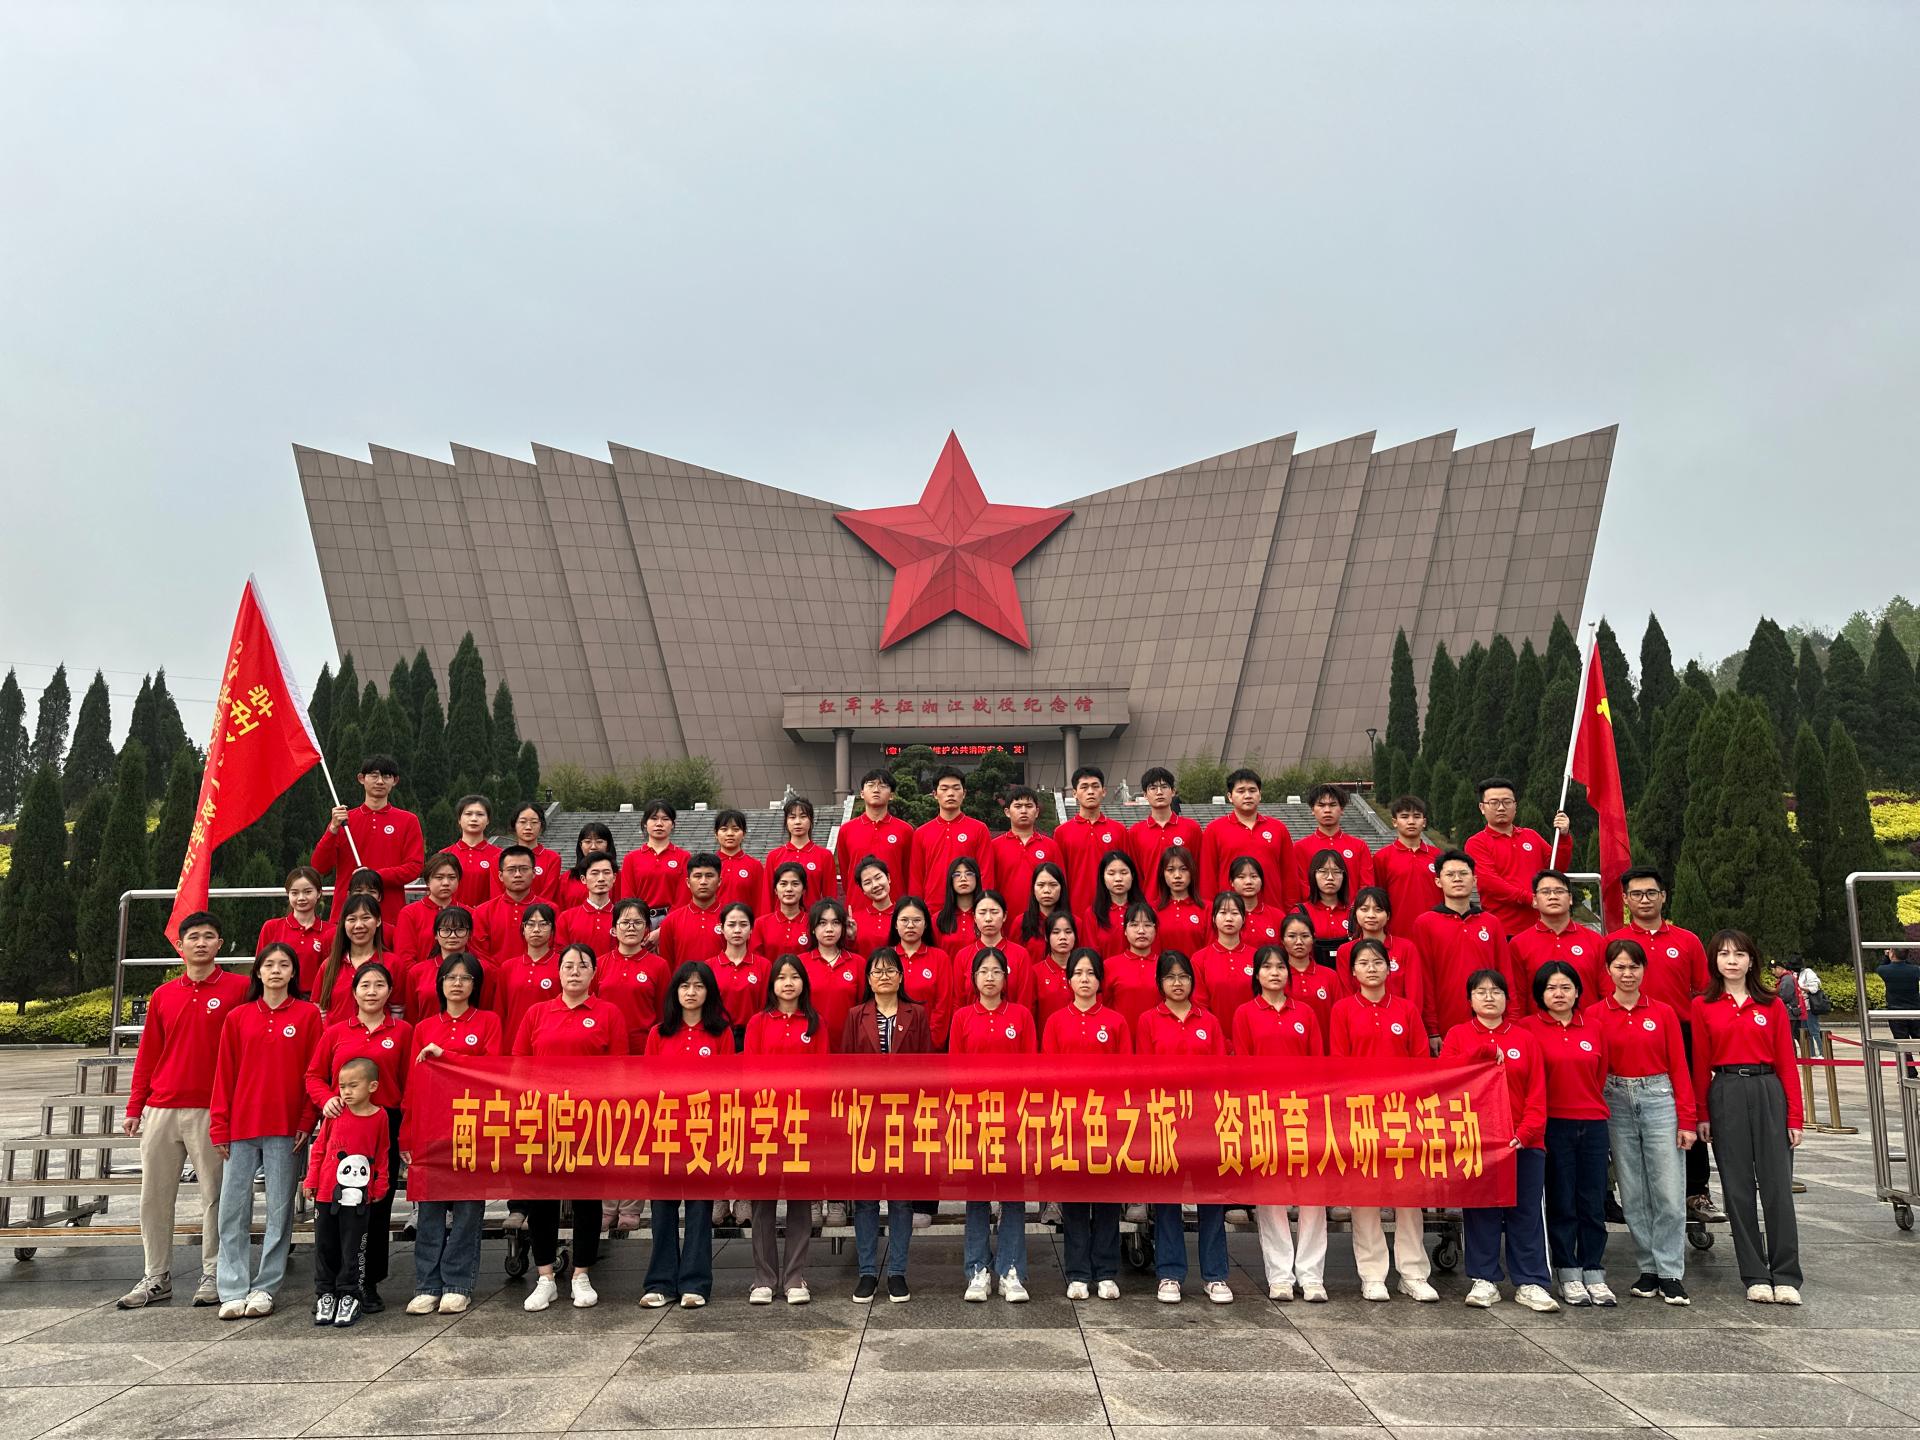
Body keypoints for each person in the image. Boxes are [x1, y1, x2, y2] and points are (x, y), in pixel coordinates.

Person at [117, 910, 250, 1310]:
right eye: (193, 937)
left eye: (209, 936)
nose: (201, 942)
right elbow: (148, 1053)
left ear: (220, 944)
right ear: (180, 945)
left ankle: (214, 1272)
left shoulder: (240, 988)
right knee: (154, 1197)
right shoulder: (164, 994)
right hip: (162, 1108)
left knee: (216, 1197)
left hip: (213, 1108)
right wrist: (135, 1105)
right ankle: (156, 1275)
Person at [209, 943, 322, 1319]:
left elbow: (314, 1071)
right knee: (232, 1210)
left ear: (293, 972)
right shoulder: (238, 1017)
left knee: (279, 1211)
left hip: (286, 1128)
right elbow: (224, 1074)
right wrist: (220, 1125)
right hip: (241, 1127)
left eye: (283, 964)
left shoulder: (307, 1015)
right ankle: (232, 1287)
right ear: (257, 972)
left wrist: (306, 1120)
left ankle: (265, 1286)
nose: (276, 970)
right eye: (269, 964)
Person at [1692, 929, 1803, 1304]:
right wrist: (1702, 1114)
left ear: (1751, 960)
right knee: (1737, 1189)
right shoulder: (1703, 1005)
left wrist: (1795, 1117)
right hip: (1725, 1091)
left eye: (1739, 954)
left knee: (1777, 1188)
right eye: (1724, 954)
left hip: (1768, 1089)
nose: (1732, 960)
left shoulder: (1771, 1004)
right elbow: (1700, 1065)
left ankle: (1786, 1273)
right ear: (1714, 961)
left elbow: (1787, 1063)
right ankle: (1754, 1273)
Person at [514, 945, 625, 1312]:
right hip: (543, 1118)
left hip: (589, 1121)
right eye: (568, 966)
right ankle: (545, 1276)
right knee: (541, 1199)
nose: (574, 971)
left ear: (594, 973)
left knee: (587, 1199)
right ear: (558, 972)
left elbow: (618, 1069)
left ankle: (581, 1274)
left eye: (582, 966)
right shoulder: (536, 1013)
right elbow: (519, 1065)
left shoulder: (608, 1013)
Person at [1438, 969, 1557, 1312]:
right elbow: (1446, 1081)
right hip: (1478, 1143)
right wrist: (1483, 1054)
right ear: (1469, 999)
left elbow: (1537, 1093)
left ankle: (1531, 1281)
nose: (1489, 997)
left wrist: (1526, 1133)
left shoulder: (1524, 1039)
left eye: (1496, 991)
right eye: (1480, 992)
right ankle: (1484, 1278)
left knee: (1526, 1212)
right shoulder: (1458, 1035)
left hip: (1523, 1141)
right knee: (1481, 1211)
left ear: (1507, 998)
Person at [1608, 867, 1719, 1223]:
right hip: (1625, 1033)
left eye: (1651, 893)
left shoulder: (1687, 941)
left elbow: (1704, 992)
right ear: (1625, 899)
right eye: (1636, 894)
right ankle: (1637, 1197)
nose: (1644, 900)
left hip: (1680, 1034)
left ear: (1663, 896)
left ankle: (1696, 1192)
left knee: (1691, 1108)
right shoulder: (1614, 943)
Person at [1330, 938, 1436, 1302]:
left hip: (1402, 1114)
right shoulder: (1343, 1010)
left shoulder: (1406, 1009)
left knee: (1409, 1196)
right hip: (1362, 1114)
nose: (1372, 968)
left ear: (1390, 968)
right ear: (1353, 972)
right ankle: (1372, 1274)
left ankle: (1413, 1273)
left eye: (1378, 962)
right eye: (1364, 963)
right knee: (1366, 1196)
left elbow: (1421, 1063)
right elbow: (1339, 1065)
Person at [1592, 938, 1696, 1306]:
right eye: (1619, 967)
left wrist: (1687, 1119)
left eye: (1633, 967)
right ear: (1608, 971)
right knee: (1632, 1191)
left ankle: (1670, 1271)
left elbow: (1679, 1067)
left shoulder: (1663, 1012)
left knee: (1668, 1190)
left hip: (1659, 1097)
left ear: (1643, 970)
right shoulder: (1594, 1014)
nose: (1627, 973)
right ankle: (1648, 1267)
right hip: (1615, 1098)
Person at [305, 960, 410, 1312]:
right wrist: (327, 1099)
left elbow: (410, 1083)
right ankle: (333, 1285)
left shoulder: (403, 1032)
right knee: (336, 1208)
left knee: (376, 1206)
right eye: (365, 985)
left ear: (389, 991)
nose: (372, 992)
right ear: (353, 992)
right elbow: (313, 1076)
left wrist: (407, 1130)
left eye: (379, 985)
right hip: (342, 1124)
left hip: (383, 1125)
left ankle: (368, 1283)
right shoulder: (336, 1032)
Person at [403, 952, 502, 1315]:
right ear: (440, 983)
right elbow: (413, 1084)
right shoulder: (424, 1027)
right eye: (450, 977)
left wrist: (446, 1055)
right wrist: (407, 1135)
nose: (457, 983)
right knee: (429, 1209)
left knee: (467, 1210)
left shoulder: (489, 1021)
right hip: (431, 1126)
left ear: (476, 984)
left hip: (472, 1126)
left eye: (465, 978)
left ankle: (458, 1282)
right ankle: (427, 1283)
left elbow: (492, 1071)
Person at [1136, 950, 1231, 1303]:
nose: (1177, 983)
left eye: (1184, 977)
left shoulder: (1209, 1021)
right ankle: (1170, 1273)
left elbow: (1221, 1073)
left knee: (1211, 1200)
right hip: (1166, 1121)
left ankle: (1215, 1275)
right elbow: (1144, 1073)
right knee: (1167, 1201)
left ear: (1193, 981)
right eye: (1170, 977)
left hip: (1205, 1122)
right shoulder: (1148, 1020)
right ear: (1159, 983)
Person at [1235, 944, 1327, 1302]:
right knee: (1271, 1198)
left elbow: (1318, 1065)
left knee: (1312, 1195)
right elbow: (1243, 1067)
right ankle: (1280, 1275)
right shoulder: (1245, 1013)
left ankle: (1312, 1275)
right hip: (1264, 1114)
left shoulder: (1305, 1012)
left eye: (1280, 967)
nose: (1275, 973)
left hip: (1303, 1113)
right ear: (1256, 974)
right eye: (1267, 967)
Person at [640, 961, 734, 1309]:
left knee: (699, 1209)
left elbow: (727, 1086)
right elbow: (647, 1084)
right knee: (663, 1210)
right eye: (684, 986)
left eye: (698, 986)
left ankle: (695, 1282)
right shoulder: (659, 1033)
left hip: (703, 1132)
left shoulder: (720, 1033)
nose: (691, 992)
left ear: (709, 992)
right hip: (665, 1131)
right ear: (674, 992)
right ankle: (660, 1282)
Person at [841, 947, 931, 1302]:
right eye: (877, 971)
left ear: (901, 976)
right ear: (868, 979)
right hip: (866, 1117)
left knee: (901, 1199)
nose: (884, 976)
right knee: (865, 1199)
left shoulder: (916, 1013)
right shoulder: (855, 1015)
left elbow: (926, 1066)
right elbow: (846, 1065)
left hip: (904, 1117)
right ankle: (867, 1272)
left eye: (890, 970)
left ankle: (897, 1273)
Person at [740, 955, 829, 1305]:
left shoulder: (815, 1023)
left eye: (794, 977)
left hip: (802, 1123)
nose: (788, 983)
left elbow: (822, 1074)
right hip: (766, 1121)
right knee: (762, 1202)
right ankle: (763, 1278)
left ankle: (794, 1277)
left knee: (800, 1203)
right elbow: (750, 1073)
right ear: (772, 984)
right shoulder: (758, 1022)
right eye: (781, 977)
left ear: (804, 983)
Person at [1042, 948, 1130, 1301]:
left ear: (1099, 981)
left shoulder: (1116, 1021)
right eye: (1078, 973)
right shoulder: (1055, 1022)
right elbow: (1048, 1074)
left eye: (1090, 973)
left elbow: (1126, 1075)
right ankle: (1078, 1272)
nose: (1084, 979)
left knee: (1107, 1199)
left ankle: (1106, 1271)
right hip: (1070, 1122)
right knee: (1075, 1200)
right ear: (1068, 981)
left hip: (1107, 1121)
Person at [949, 946, 1036, 1302]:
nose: (989, 977)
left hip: (1012, 1118)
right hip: (975, 1118)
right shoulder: (962, 1017)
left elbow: (1031, 1069)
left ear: (1005, 977)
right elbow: (954, 1070)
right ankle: (977, 1271)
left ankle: (1011, 1271)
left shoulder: (1021, 1015)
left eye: (996, 971)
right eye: (983, 971)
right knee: (977, 1197)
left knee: (1013, 1196)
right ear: (973, 978)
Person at [1525, 959, 1613, 1306]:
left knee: (1593, 1200)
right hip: (1553, 1123)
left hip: (1593, 1122)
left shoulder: (1594, 1027)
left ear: (1577, 991)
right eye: (1551, 988)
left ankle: (1594, 1269)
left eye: (1566, 987)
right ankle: (1567, 1270)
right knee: (1561, 1199)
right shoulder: (1528, 1029)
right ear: (1540, 993)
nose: (1559, 994)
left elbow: (1600, 1074)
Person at [304, 1056, 390, 1328]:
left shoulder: (380, 1116)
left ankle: (349, 1293)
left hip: (359, 1197)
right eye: (342, 1086)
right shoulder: (335, 1113)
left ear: (372, 1086)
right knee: (325, 1245)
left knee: (354, 1246)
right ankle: (325, 1293)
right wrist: (311, 1179)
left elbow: (383, 1153)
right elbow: (320, 1148)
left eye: (353, 1085)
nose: (346, 1092)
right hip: (326, 1194)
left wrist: (380, 1184)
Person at [1413, 850, 1515, 1047]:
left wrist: (1511, 1020)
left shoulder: (1492, 923)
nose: (1457, 879)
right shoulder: (1425, 924)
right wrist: (1432, 1029)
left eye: (1463, 873)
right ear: (1438, 881)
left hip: (1490, 1021)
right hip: (1445, 1023)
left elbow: (1506, 975)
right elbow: (1424, 978)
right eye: (1450, 874)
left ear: (1474, 880)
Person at [312, 753, 424, 929]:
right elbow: (319, 866)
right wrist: (332, 829)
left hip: (389, 917)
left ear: (395, 781)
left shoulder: (408, 821)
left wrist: (375, 876)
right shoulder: (344, 821)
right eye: (374, 775)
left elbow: (414, 867)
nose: (380, 781)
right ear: (361, 779)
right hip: (346, 916)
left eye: (386, 776)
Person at [1462, 777, 1570, 939]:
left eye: (1507, 802)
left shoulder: (1531, 836)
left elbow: (1557, 868)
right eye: (1494, 803)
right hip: (1505, 929)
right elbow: (1490, 883)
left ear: (1515, 806)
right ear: (1482, 808)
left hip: (1542, 925)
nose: (1501, 808)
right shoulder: (1477, 843)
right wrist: (1531, 899)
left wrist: (1564, 836)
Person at [1199, 767, 1295, 908]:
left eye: (1252, 790)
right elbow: (1208, 877)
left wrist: (1291, 910)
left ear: (1260, 795)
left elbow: (1290, 875)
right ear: (1230, 796)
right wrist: (1210, 911)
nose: (1248, 795)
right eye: (1241, 791)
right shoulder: (1214, 830)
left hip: (1272, 911)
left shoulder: (1278, 828)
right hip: (1230, 913)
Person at [1511, 869, 1602, 1006]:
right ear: (1535, 900)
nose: (1553, 896)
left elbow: (1607, 992)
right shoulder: (1518, 944)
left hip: (1587, 1019)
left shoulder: (1596, 941)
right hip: (1537, 1020)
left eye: (1559, 891)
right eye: (1545, 892)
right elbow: (1518, 996)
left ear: (1570, 898)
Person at [1335, 886, 1424, 1020]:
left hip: (1400, 1022)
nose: (1371, 915)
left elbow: (1414, 995)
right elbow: (1347, 994)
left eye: (1378, 910)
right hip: (1360, 1021)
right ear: (1355, 914)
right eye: (1364, 909)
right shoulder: (1345, 951)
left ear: (1388, 915)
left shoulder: (1406, 948)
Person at [911, 766, 995, 902]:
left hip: (968, 906)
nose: (950, 793)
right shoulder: (921, 833)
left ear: (964, 793)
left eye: (956, 788)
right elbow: (916, 877)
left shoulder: (979, 829)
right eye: (944, 789)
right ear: (935, 794)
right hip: (932, 907)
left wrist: (983, 906)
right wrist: (917, 908)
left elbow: (986, 873)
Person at [1054, 766, 1131, 910]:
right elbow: (1058, 876)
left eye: (1095, 786)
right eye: (1084, 787)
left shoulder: (1119, 830)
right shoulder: (1062, 832)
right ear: (1075, 793)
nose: (1090, 791)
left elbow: (1128, 872)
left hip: (1112, 909)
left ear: (1104, 791)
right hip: (1075, 909)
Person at [313, 893, 395, 1026]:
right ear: (343, 923)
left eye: (366, 918)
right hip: (336, 1038)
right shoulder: (329, 965)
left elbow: (398, 1009)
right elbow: (320, 1009)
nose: (358, 925)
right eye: (352, 919)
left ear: (378, 920)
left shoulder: (393, 963)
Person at [837, 768, 915, 900]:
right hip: (858, 904)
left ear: (891, 795)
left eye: (883, 786)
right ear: (862, 793)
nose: (876, 790)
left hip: (896, 905)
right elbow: (845, 873)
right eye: (871, 785)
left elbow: (909, 872)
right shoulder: (847, 830)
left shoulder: (905, 830)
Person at [801, 897, 865, 1055]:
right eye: (822, 923)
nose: (829, 929)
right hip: (809, 1043)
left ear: (843, 927)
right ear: (813, 929)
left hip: (848, 1044)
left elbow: (864, 1008)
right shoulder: (800, 963)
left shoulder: (858, 963)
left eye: (835, 923)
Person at [1372, 794, 1441, 940]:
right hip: (1397, 934)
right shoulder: (1382, 857)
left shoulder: (1438, 856)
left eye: (1416, 816)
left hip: (1436, 932)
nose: (1411, 821)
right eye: (1404, 817)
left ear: (1424, 822)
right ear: (1394, 822)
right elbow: (1378, 898)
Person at [255, 866, 335, 990]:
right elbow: (260, 967)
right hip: (279, 995)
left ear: (319, 893)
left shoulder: (331, 931)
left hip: (316, 998)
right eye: (295, 893)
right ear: (288, 894)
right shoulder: (271, 927)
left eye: (308, 892)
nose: (301, 898)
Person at [620, 798, 692, 932]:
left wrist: (664, 929)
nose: (659, 823)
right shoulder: (631, 858)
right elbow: (627, 898)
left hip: (674, 922)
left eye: (665, 819)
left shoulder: (684, 857)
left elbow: (683, 898)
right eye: (654, 818)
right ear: (645, 823)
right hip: (640, 923)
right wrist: (642, 926)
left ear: (673, 824)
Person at [1294, 783, 1376, 896]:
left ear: (1342, 809)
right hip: (1313, 907)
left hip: (1352, 907)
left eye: (1332, 805)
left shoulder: (1359, 846)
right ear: (1312, 809)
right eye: (1321, 805)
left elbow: (1367, 887)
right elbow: (1301, 885)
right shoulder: (1300, 848)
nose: (1327, 810)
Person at [494, 904, 561, 1042]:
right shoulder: (508, 967)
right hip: (513, 1040)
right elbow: (499, 1011)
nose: (536, 930)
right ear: (523, 930)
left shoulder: (563, 965)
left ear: (552, 930)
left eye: (543, 924)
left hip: (550, 1040)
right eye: (530, 924)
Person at [1192, 892, 1256, 1034]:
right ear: (1213, 918)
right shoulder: (1199, 959)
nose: (1229, 918)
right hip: (1214, 1035)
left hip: (1253, 1033)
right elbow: (1200, 1005)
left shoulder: (1256, 957)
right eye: (1223, 913)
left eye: (1235, 913)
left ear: (1244, 918)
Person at [888, 897, 950, 1044]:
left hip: (928, 1041)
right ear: (895, 924)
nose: (910, 925)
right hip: (891, 1041)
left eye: (917, 920)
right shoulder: (886, 957)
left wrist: (932, 1041)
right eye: (904, 920)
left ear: (926, 923)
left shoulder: (940, 958)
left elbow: (943, 1004)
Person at [394, 852, 462, 983]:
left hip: (460, 984)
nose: (446, 883)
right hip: (422, 983)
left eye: (452, 877)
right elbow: (405, 958)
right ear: (427, 881)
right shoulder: (409, 913)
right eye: (439, 877)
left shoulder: (469, 913)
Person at [403, 906, 479, 1023]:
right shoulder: (417, 972)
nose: (452, 935)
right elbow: (411, 1016)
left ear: (469, 933)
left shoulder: (482, 969)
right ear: (436, 934)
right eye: (446, 930)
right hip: (427, 1033)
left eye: (460, 929)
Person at [988, 785, 1056, 911]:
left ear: (1036, 812)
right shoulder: (994, 846)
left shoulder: (1051, 846)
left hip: (1042, 918)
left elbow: (1059, 884)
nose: (1024, 811)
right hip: (1005, 917)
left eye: (1029, 806)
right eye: (1018, 806)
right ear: (1007, 812)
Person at [707, 902, 768, 1039]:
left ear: (751, 929)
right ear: (721, 929)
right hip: (718, 1035)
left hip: (753, 1035)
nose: (737, 930)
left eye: (743, 925)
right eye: (731, 925)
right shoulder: (709, 966)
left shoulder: (764, 965)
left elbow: (766, 1006)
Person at [1130, 766, 1202, 882]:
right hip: (1148, 894)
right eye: (1153, 788)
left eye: (1164, 787)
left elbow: (1199, 868)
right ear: (1145, 795)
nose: (1159, 792)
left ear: (1173, 791)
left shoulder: (1191, 828)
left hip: (1184, 893)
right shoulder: (1135, 832)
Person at [764, 795, 837, 909]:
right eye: (792, 817)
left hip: (812, 918)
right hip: (780, 918)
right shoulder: (774, 856)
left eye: (803, 817)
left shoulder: (824, 856)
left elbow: (830, 896)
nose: (797, 822)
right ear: (786, 822)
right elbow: (767, 897)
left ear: (811, 820)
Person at [1102, 901, 1164, 1033]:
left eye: (1147, 925)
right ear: (1125, 930)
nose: (1141, 931)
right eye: (1134, 925)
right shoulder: (1109, 966)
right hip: (1120, 1036)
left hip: (1158, 1036)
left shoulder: (1165, 965)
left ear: (1156, 930)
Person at [470, 845, 540, 963]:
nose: (517, 875)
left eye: (524, 869)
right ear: (501, 876)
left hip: (536, 973)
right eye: (511, 870)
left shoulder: (550, 909)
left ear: (533, 873)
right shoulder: (483, 912)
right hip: (494, 973)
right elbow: (480, 953)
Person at [657, 853, 727, 967]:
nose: (703, 882)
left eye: (709, 876)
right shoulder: (671, 921)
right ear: (688, 882)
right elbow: (667, 965)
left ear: (719, 881)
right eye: (697, 876)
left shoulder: (731, 919)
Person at [1279, 915, 1340, 1038]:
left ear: (1313, 938)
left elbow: (1339, 1017)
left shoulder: (1330, 976)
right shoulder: (1278, 977)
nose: (1299, 942)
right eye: (1292, 936)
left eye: (1305, 936)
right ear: (1282, 940)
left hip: (1325, 1045)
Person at [1078, 849, 1141, 957]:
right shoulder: (1092, 914)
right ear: (1102, 877)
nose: (1118, 879)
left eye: (1124, 873)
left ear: (1133, 876)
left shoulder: (1144, 912)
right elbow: (1090, 957)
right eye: (1111, 873)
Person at [501, 801, 563, 901]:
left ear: (541, 826)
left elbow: (548, 894)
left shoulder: (552, 858)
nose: (528, 827)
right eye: (522, 822)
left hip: (540, 910)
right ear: (514, 825)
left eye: (534, 822)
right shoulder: (500, 858)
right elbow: (497, 896)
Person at [447, 793, 501, 908]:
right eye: (468, 814)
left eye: (480, 814)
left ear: (488, 820)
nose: (474, 819)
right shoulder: (445, 854)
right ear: (459, 819)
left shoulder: (500, 855)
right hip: (451, 916)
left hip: (486, 916)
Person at [556, 853, 617, 953]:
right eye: (594, 873)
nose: (601, 879)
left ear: (614, 877)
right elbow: (561, 954)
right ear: (583, 879)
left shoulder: (623, 917)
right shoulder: (566, 918)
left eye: (606, 872)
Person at [753, 861, 815, 960]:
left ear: (803, 890)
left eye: (795, 884)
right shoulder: (761, 924)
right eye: (783, 884)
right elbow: (756, 960)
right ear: (775, 890)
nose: (789, 889)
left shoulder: (813, 922)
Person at [1300, 850, 1352, 966]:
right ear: (1313, 875)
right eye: (1323, 871)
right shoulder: (1300, 913)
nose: (1330, 877)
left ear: (1344, 876)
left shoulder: (1354, 912)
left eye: (1336, 872)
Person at [1152, 847, 1208, 956]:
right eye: (1170, 870)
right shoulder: (1152, 910)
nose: (1177, 875)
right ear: (1162, 873)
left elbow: (1209, 952)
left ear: (1192, 871)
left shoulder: (1207, 909)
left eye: (1183, 869)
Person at [1029, 910, 1080, 1028]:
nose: (1063, 937)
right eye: (1056, 932)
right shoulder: (1035, 972)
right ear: (1046, 937)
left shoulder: (1083, 971)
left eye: (1068, 932)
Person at [1226, 855, 1288, 947]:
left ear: (1261, 881)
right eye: (1241, 877)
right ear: (1231, 882)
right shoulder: (1226, 917)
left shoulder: (1277, 916)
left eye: (1254, 876)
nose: (1248, 882)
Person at [712, 808, 766, 910]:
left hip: (744, 919)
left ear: (744, 833)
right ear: (716, 833)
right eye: (724, 829)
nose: (730, 834)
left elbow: (760, 902)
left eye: (736, 829)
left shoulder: (755, 865)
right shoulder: (708, 865)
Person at [1017, 861, 1071, 960]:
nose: (1047, 890)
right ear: (1033, 889)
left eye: (1053, 885)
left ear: (1062, 888)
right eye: (1041, 885)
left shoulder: (1075, 923)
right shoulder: (1021, 922)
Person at [846, 856, 900, 956]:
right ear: (863, 890)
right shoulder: (855, 920)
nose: (875, 885)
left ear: (888, 878)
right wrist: (850, 939)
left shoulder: (903, 916)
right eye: (867, 883)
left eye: (878, 878)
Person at [558, 821, 618, 910]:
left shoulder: (619, 877)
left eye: (599, 841)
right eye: (587, 841)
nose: (593, 847)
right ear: (580, 845)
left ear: (608, 845)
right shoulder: (567, 878)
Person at [1880, 948, 1920, 1078]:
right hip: (1915, 1010)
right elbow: (1908, 966)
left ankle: (1909, 1072)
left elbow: (1881, 967)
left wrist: (1887, 957)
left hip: (1895, 1011)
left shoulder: (1885, 970)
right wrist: (1902, 957)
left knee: (1903, 1044)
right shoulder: (1915, 970)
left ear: (1892, 954)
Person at [934, 856, 984, 951]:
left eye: (969, 873)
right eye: (957, 874)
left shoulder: (986, 916)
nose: (963, 878)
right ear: (950, 880)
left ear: (977, 878)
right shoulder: (938, 919)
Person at [1793, 957, 1827, 1059]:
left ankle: (1822, 1052)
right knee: (1805, 1032)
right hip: (1801, 1007)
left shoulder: (1808, 973)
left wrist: (1801, 988)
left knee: (1814, 1030)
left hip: (1809, 1006)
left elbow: (1814, 988)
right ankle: (1811, 1054)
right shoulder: (1795, 974)